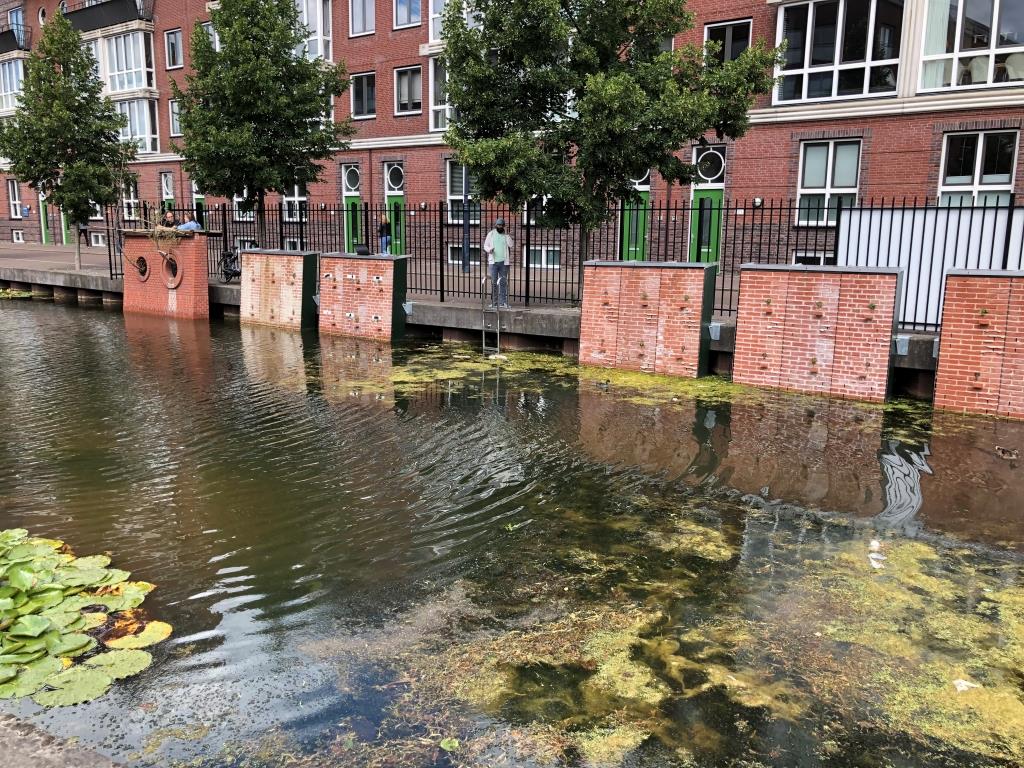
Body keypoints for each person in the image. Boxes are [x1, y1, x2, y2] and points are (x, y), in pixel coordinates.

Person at [483, 217, 512, 308]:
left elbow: (511, 244)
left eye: (501, 225)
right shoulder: (491, 234)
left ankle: (503, 302)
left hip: (504, 263)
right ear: (495, 225)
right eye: (498, 225)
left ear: (503, 226)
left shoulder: (506, 236)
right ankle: (495, 302)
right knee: (494, 282)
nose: (499, 226)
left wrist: (507, 234)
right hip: (493, 262)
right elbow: (485, 245)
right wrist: (489, 250)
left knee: (503, 282)